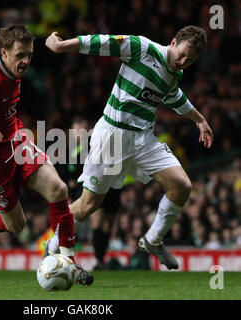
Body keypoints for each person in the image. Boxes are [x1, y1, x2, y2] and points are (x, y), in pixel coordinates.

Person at [44, 25, 213, 270]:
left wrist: (200, 120)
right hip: (112, 136)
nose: (184, 61)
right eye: (184, 53)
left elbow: (175, 97)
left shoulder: (175, 75)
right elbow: (101, 42)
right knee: (88, 205)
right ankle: (54, 244)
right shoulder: (142, 48)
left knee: (182, 185)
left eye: (191, 60)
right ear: (174, 42)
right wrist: (62, 46)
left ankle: (153, 240)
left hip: (143, 139)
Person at [0, 23, 92, 285]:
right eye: (20, 55)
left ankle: (70, 262)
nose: (25, 61)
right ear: (4, 52)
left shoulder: (14, 70)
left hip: (16, 141)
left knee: (58, 190)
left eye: (29, 55)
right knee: (16, 226)